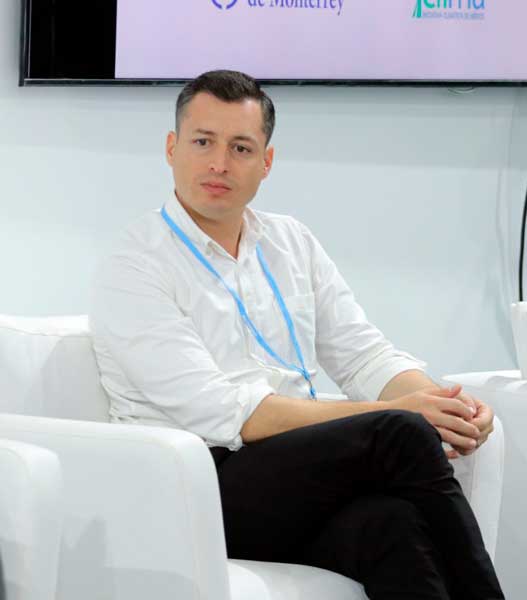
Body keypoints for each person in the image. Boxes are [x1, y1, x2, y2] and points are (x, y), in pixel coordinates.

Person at [90, 70, 504, 600]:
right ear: (172, 149)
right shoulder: (135, 263)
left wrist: (445, 403)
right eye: (202, 142)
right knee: (400, 433)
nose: (219, 163)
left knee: (392, 524)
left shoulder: (289, 241)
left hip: (293, 473)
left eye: (240, 147)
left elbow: (363, 356)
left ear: (266, 162)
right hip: (195, 483)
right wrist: (406, 416)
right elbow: (229, 412)